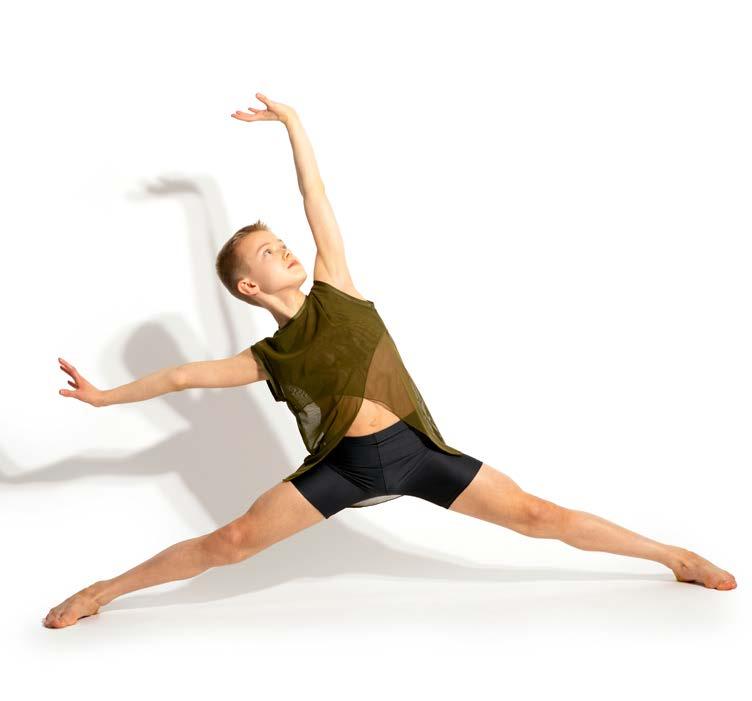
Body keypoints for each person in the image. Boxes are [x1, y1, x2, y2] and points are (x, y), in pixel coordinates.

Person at [43, 93, 736, 629]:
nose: (286, 249)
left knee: (535, 513)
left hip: (415, 452)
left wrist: (292, 124)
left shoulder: (337, 286)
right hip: (342, 469)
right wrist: (104, 398)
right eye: (268, 253)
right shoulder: (267, 358)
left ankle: (673, 556)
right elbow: (180, 376)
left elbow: (316, 200)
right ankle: (103, 591)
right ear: (249, 288)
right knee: (233, 540)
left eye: (281, 242)